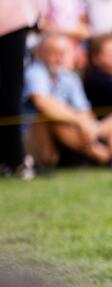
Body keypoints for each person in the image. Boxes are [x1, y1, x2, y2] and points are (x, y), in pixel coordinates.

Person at [23, 33, 112, 167]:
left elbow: (84, 109)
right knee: (53, 118)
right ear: (40, 54)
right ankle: (106, 158)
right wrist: (79, 120)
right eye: (53, 53)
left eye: (63, 53)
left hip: (76, 136)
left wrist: (87, 125)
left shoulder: (69, 77)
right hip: (38, 141)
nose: (59, 58)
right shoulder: (35, 72)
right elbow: (43, 103)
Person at [0, 0, 45, 179]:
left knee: (11, 94)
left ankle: (15, 160)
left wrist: (36, 12)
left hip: (11, 19)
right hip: (13, 18)